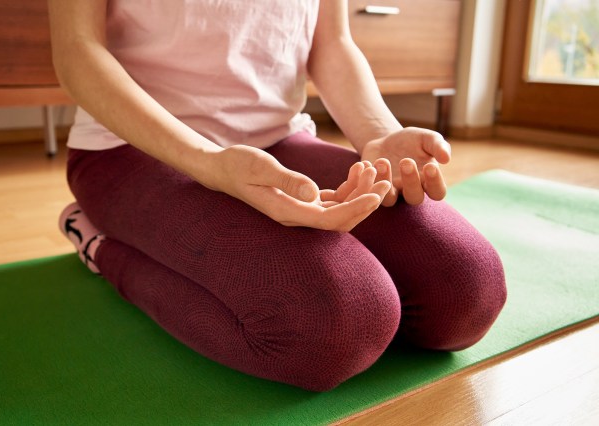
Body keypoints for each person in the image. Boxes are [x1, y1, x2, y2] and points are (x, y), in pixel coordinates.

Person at [48, 0, 507, 392]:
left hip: (278, 141)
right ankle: (100, 245)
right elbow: (77, 50)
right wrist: (208, 161)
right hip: (131, 150)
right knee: (336, 326)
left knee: (466, 294)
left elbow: (331, 43)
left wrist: (378, 136)